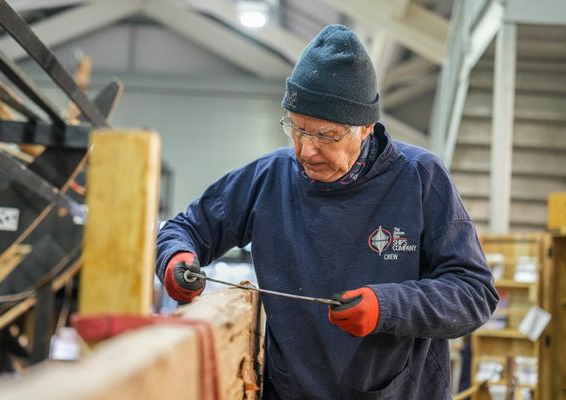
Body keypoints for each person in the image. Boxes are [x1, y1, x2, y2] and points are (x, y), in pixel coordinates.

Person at [156, 24, 498, 400]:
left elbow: (473, 293)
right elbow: (185, 228)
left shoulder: (419, 178)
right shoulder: (269, 178)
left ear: (366, 128)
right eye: (297, 129)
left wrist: (386, 306)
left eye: (325, 135)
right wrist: (176, 259)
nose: (306, 150)